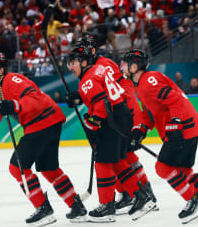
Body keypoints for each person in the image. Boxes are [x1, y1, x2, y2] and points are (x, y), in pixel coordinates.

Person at [0, 54, 87, 226]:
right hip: (48, 122)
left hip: (42, 121)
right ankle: (76, 206)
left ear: (1, 70)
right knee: (49, 169)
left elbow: (34, 98)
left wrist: (15, 105)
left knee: (17, 167)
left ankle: (43, 208)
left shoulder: (13, 80)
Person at [122, 49, 198, 224]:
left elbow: (175, 100)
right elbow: (150, 112)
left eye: (125, 64)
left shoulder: (148, 81)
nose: (122, 67)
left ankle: (194, 200)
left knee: (163, 168)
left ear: (134, 66)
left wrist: (175, 124)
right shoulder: (140, 85)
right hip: (189, 127)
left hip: (182, 129)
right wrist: (141, 131)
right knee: (184, 170)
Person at [65, 42, 155, 223]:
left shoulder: (88, 78)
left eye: (73, 62)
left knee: (103, 162)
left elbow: (100, 104)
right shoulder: (98, 70)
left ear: (84, 62)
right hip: (120, 115)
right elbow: (105, 91)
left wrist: (93, 124)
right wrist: (80, 95)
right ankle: (140, 194)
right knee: (118, 161)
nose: (70, 67)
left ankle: (107, 206)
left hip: (112, 119)